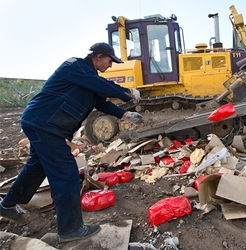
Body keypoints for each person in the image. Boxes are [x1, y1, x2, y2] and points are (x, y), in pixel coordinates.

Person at [0, 42, 143, 242]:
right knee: (65, 173)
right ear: (99, 56)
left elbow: (101, 102)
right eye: (110, 61)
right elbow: (103, 87)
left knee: (37, 166)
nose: (111, 66)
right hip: (45, 125)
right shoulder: (75, 66)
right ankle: (70, 229)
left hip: (44, 124)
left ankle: (7, 205)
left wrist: (125, 114)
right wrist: (127, 92)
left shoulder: (90, 78)